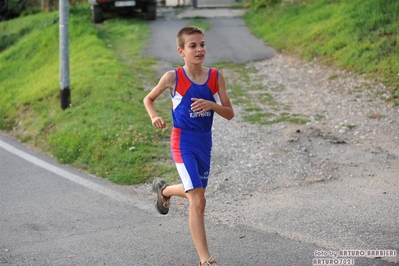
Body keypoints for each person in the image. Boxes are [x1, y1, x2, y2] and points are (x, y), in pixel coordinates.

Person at [143, 26, 234, 266]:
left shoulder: (215, 76)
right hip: (182, 141)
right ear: (181, 51)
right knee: (198, 200)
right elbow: (148, 98)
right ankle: (205, 259)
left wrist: (212, 105)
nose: (199, 49)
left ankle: (164, 191)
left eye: (202, 44)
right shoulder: (173, 77)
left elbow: (230, 113)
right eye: (193, 46)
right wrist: (154, 116)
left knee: (197, 192)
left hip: (205, 141)